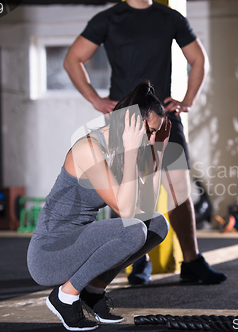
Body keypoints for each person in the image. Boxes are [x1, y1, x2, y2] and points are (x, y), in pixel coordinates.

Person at [64, 0, 227, 285]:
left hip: (163, 116)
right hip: (123, 117)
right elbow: (72, 59)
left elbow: (199, 60)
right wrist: (96, 99)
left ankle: (191, 260)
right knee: (126, 190)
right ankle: (136, 260)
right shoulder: (108, 19)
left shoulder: (170, 18)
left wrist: (188, 101)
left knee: (177, 187)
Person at [27, 82, 171, 331]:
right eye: (149, 131)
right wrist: (131, 150)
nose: (151, 139)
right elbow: (127, 215)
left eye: (154, 133)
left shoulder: (120, 150)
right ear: (129, 123)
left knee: (157, 224)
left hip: (76, 246)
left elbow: (144, 208)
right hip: (49, 254)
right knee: (134, 230)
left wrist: (158, 152)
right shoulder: (89, 149)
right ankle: (65, 296)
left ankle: (93, 290)